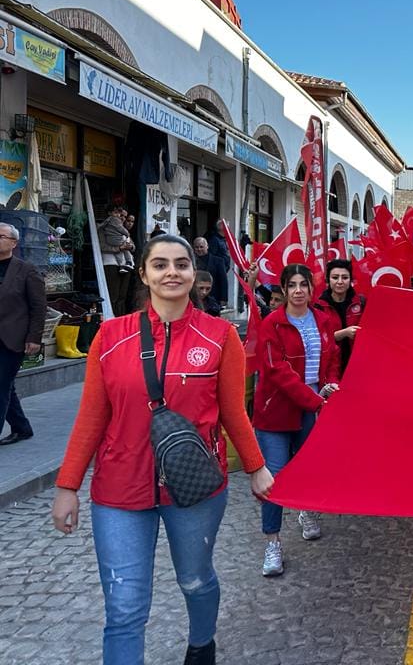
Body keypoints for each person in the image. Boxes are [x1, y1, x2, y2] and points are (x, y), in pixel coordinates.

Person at [50, 234, 273, 665]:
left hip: (194, 488)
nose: (172, 272)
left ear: (193, 273)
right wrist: (67, 485)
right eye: (160, 264)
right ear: (145, 274)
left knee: (194, 580)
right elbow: (92, 416)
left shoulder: (220, 335)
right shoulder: (111, 336)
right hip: (118, 490)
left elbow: (232, 411)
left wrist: (257, 466)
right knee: (124, 609)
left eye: (181, 264)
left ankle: (201, 643)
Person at [253, 264, 341, 577]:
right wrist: (317, 401)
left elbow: (331, 356)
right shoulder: (272, 324)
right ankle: (272, 542)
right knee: (273, 479)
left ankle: (306, 511)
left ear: (311, 289)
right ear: (284, 290)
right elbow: (279, 373)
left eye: (304, 284)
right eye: (292, 285)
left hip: (311, 407)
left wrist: (330, 381)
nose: (299, 290)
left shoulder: (324, 320)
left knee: (307, 468)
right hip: (277, 411)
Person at [0, 223, 44, 445]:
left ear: (13, 243)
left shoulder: (26, 270)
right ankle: (21, 427)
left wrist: (34, 337)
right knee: (5, 385)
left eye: (1, 236)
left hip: (12, 337)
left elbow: (38, 307)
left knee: (0, 384)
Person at [315, 259, 365, 377]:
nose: (340, 282)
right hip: (329, 365)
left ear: (351, 280)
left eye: (345, 277)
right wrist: (344, 333)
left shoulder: (361, 302)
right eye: (335, 277)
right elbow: (317, 340)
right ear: (328, 280)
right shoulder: (318, 306)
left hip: (358, 364)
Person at [193, 237, 230, 307]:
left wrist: (224, 299)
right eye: (196, 247)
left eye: (201, 247)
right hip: (195, 298)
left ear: (207, 246)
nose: (199, 249)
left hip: (213, 298)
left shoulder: (218, 261)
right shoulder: (190, 262)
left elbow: (223, 280)